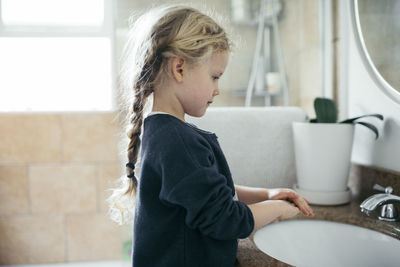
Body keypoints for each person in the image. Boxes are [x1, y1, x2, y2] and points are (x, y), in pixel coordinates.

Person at [107, 4, 314, 267]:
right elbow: (225, 221)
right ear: (179, 68)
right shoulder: (177, 141)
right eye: (214, 76)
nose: (217, 89)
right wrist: (279, 209)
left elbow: (204, 193)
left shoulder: (163, 132)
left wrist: (266, 194)